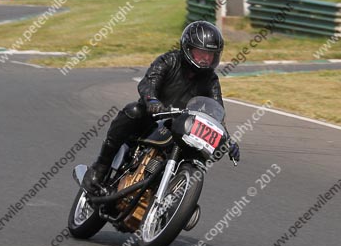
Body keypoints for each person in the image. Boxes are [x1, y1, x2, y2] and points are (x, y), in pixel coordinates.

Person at [83, 21, 240, 192]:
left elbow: (216, 112)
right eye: (201, 53)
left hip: (182, 127)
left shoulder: (211, 80)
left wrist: (227, 139)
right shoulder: (169, 61)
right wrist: (152, 102)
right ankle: (101, 166)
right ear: (187, 49)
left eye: (211, 55)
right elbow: (148, 83)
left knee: (199, 153)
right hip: (153, 118)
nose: (206, 59)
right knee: (133, 111)